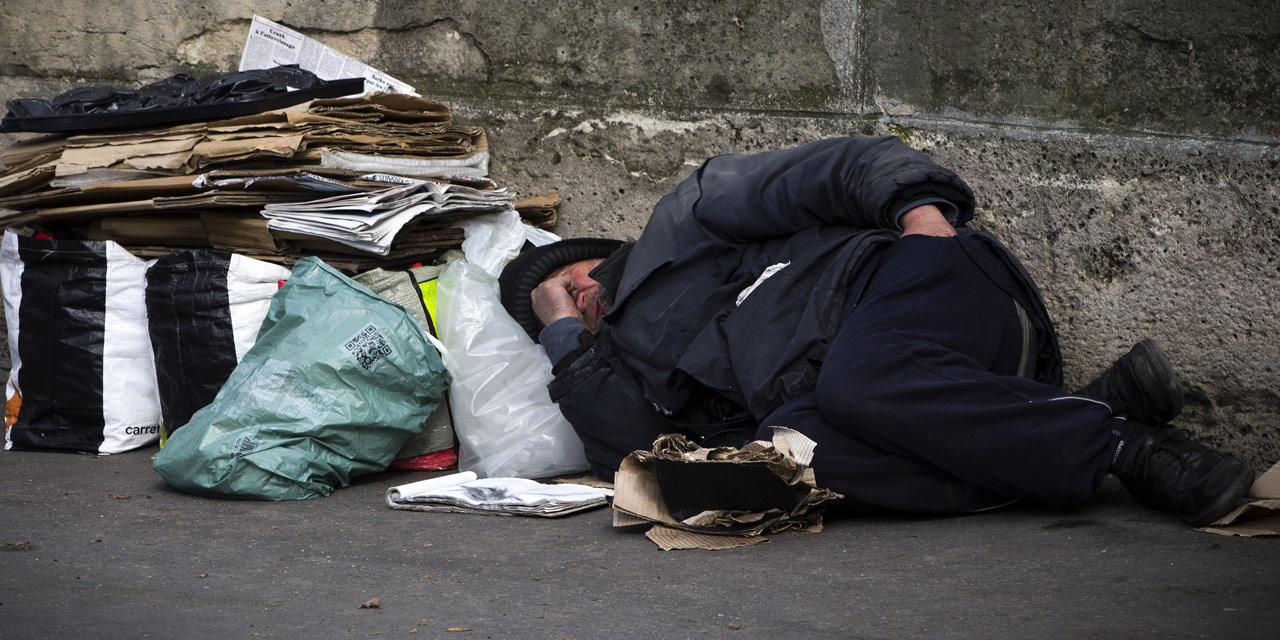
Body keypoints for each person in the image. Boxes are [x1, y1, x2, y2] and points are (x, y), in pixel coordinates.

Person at [498, 136, 1255, 526]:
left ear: (598, 255)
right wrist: (565, 338)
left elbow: (833, 167)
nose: (578, 295)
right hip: (905, 398)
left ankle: (1127, 449)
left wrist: (921, 213)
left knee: (857, 377)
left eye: (570, 278)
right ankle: (1085, 419)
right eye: (557, 305)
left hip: (914, 286)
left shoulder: (681, 224)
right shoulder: (624, 364)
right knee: (769, 466)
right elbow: (630, 454)